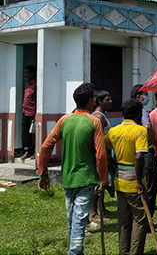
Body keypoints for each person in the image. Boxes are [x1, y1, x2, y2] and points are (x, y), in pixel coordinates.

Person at [38, 83, 108, 255]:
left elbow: (45, 147)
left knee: (73, 220)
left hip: (68, 179)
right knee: (78, 221)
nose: (95, 102)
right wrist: (104, 180)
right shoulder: (94, 121)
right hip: (86, 178)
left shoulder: (64, 120)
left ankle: (76, 250)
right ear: (90, 100)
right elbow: (101, 154)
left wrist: (43, 173)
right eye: (93, 98)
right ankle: (75, 251)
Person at [104, 99, 148, 255]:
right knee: (140, 219)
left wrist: (113, 162)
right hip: (134, 180)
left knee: (123, 221)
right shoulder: (140, 131)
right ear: (137, 114)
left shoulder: (114, 131)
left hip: (119, 179)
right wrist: (139, 180)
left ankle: (123, 251)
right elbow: (139, 157)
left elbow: (101, 149)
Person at [130, 84, 157, 217]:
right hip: (145, 150)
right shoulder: (142, 111)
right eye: (146, 94)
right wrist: (155, 143)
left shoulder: (127, 111)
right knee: (149, 186)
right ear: (139, 97)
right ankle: (147, 217)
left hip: (131, 150)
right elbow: (147, 127)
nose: (147, 97)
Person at [90, 90, 113, 220]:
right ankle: (94, 211)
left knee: (103, 181)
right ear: (99, 101)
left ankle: (101, 207)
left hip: (106, 150)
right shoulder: (98, 117)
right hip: (101, 152)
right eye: (107, 99)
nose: (110, 102)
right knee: (100, 182)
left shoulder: (104, 115)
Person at [21, 65, 37, 161]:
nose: (25, 74)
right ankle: (27, 151)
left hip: (32, 112)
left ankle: (35, 151)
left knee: (33, 133)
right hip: (25, 112)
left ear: (32, 74)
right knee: (25, 132)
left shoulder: (35, 84)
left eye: (27, 73)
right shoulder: (27, 83)